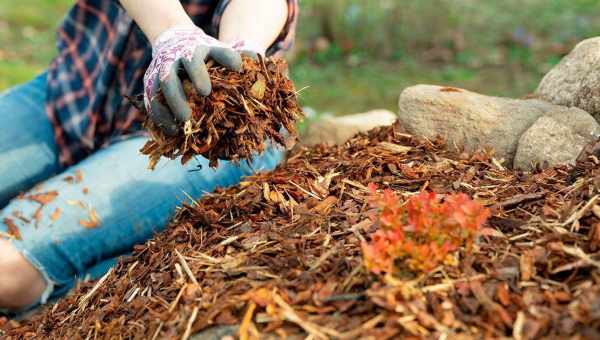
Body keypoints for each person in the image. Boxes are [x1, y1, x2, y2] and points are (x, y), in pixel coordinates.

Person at [0, 0, 298, 311]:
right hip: (74, 90)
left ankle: (122, 278)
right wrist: (173, 33)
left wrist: (240, 49)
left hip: (192, 136)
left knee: (8, 271)